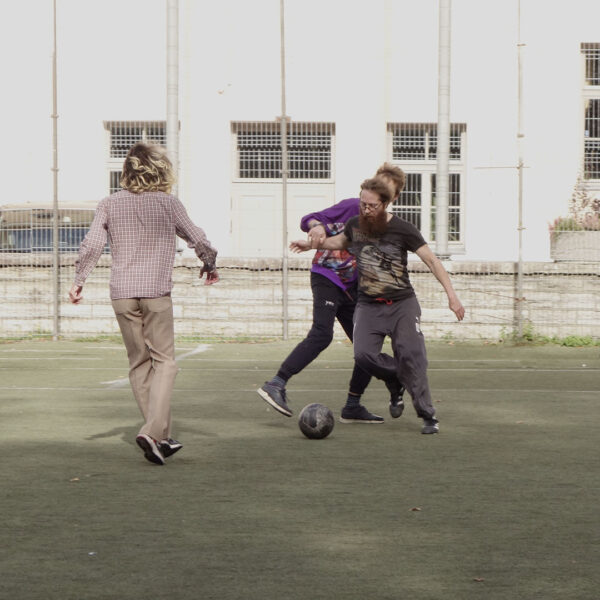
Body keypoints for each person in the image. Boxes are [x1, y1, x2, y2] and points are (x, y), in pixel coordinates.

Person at [68, 142, 219, 464]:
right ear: (161, 170)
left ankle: (159, 439)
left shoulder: (109, 203)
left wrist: (79, 280)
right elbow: (197, 237)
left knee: (139, 363)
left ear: (127, 171)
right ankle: (152, 431)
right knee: (165, 362)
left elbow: (92, 244)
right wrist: (209, 263)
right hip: (155, 293)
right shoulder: (169, 203)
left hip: (122, 294)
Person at [290, 174, 465, 434]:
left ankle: (428, 415)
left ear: (385, 204)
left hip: (402, 303)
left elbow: (432, 261)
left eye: (372, 206)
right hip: (369, 305)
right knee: (363, 355)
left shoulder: (403, 229)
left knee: (411, 355)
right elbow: (337, 242)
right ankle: (396, 378)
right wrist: (310, 245)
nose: (366, 210)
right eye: (363, 204)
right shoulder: (355, 225)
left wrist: (452, 296)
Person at [257, 164, 407, 424]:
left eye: (386, 191)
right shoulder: (351, 207)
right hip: (327, 276)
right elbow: (310, 218)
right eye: (376, 185)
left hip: (354, 288)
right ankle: (276, 383)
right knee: (322, 333)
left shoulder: (389, 226)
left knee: (366, 347)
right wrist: (317, 227)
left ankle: (353, 405)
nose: (377, 193)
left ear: (393, 197)